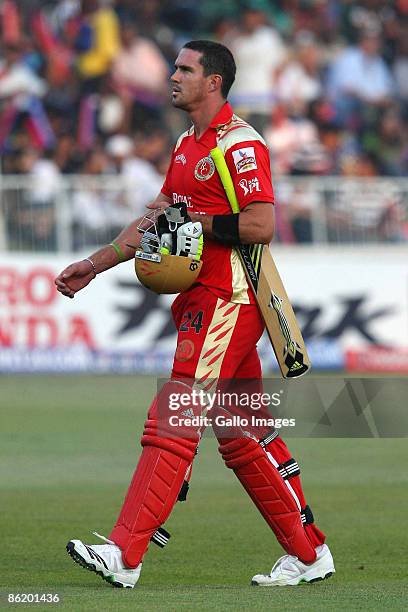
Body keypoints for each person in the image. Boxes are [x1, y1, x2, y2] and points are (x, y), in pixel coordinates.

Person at [55, 40, 335, 588]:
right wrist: (95, 263)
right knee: (242, 433)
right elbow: (157, 218)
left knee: (173, 415)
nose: (172, 75)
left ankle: (124, 553)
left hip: (227, 299)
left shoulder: (241, 144)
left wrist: (196, 220)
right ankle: (308, 554)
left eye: (185, 69)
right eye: (174, 67)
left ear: (215, 82)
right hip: (201, 300)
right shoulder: (186, 145)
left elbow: (259, 226)